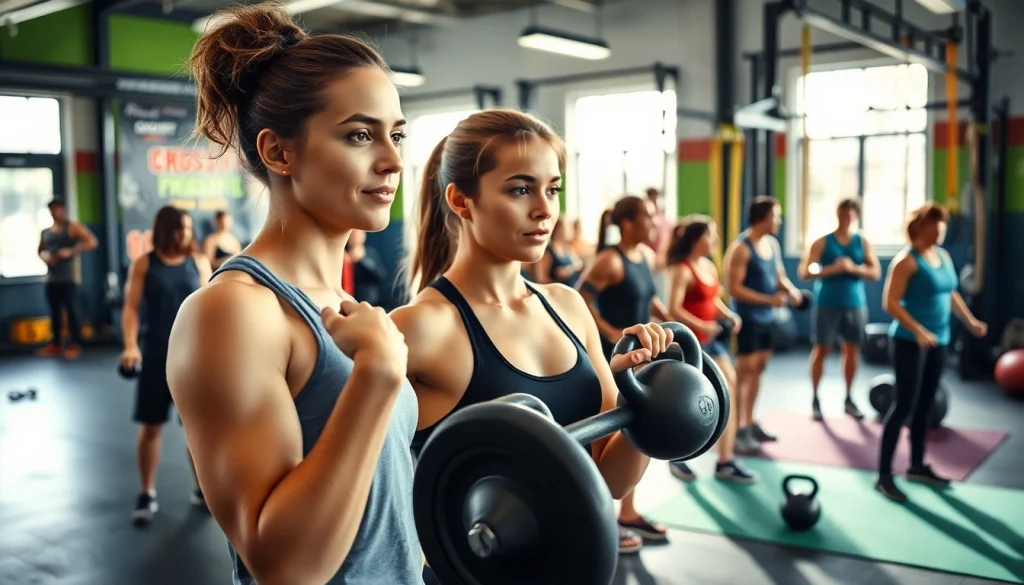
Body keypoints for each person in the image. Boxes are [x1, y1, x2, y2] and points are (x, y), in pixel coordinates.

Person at [167, 5, 423, 584]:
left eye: (396, 134)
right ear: (280, 153)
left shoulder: (339, 302)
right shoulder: (232, 312)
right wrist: (377, 378)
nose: (392, 160)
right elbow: (284, 566)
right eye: (360, 134)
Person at [392, 109, 672, 561]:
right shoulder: (419, 327)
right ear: (462, 202)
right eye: (520, 189)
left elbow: (609, 481)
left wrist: (645, 400)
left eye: (553, 189)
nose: (545, 209)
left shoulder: (567, 305)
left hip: (570, 565)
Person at [575, 194, 674, 547]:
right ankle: (603, 520)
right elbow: (580, 301)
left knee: (637, 437)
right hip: (612, 361)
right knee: (608, 444)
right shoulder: (609, 261)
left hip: (642, 359)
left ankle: (627, 513)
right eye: (647, 216)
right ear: (628, 223)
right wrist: (611, 333)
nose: (654, 221)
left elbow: (650, 299)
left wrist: (670, 322)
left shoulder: (643, 257)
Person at [876, 202, 987, 502]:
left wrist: (970, 321)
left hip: (939, 340)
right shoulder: (906, 261)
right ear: (920, 227)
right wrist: (918, 330)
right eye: (936, 225)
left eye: (943, 225)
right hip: (908, 343)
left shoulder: (943, 256)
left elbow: (950, 292)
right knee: (903, 406)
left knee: (925, 405)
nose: (941, 230)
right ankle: (884, 475)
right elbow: (890, 303)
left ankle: (916, 465)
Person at [121, 205, 212, 525]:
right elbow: (131, 308)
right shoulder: (145, 264)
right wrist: (131, 346)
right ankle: (147, 492)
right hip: (157, 355)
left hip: (192, 359)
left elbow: (208, 309)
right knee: (151, 427)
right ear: (165, 230)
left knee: (196, 429)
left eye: (188, 228)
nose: (185, 234)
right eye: (179, 229)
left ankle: (203, 489)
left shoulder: (198, 262)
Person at [663, 216, 757, 483]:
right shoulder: (682, 269)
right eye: (710, 235)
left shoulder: (708, 266)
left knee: (729, 387)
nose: (715, 240)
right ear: (696, 239)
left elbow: (712, 298)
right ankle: (677, 455)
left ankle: (725, 461)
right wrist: (702, 323)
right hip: (689, 344)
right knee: (684, 403)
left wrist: (728, 315)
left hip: (712, 341)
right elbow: (674, 308)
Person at [724, 196, 804, 452]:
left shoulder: (771, 244)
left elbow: (780, 276)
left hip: (768, 318)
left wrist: (791, 291)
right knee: (745, 370)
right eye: (776, 216)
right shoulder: (742, 248)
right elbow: (734, 289)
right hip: (748, 319)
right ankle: (736, 429)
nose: (779, 221)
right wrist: (769, 299)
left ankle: (749, 421)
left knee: (759, 367)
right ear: (763, 218)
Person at [798, 198, 880, 421]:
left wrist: (853, 268)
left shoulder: (861, 243)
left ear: (855, 216)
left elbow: (875, 273)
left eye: (850, 215)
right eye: (843, 214)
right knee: (822, 350)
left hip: (855, 304)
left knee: (852, 351)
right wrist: (832, 269)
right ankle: (815, 398)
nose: (846, 219)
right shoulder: (823, 242)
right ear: (837, 215)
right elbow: (805, 271)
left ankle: (849, 398)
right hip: (827, 304)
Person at [36, 199, 97, 359]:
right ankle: (56, 343)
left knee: (71, 310)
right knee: (54, 312)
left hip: (68, 278)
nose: (56, 212)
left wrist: (71, 251)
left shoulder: (72, 228)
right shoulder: (46, 232)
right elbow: (40, 251)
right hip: (51, 278)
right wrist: (45, 256)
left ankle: (74, 343)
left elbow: (92, 242)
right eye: (53, 210)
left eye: (59, 209)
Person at [533, 217, 584, 287]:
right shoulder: (547, 252)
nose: (569, 231)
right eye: (566, 228)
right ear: (557, 230)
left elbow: (579, 264)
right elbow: (542, 279)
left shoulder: (568, 248)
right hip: (558, 291)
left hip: (573, 288)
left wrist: (568, 270)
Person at [346, 229, 387, 306]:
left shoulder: (370, 252)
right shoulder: (344, 255)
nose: (355, 236)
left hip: (370, 300)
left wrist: (362, 260)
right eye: (352, 234)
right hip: (348, 298)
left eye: (359, 233)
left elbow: (380, 276)